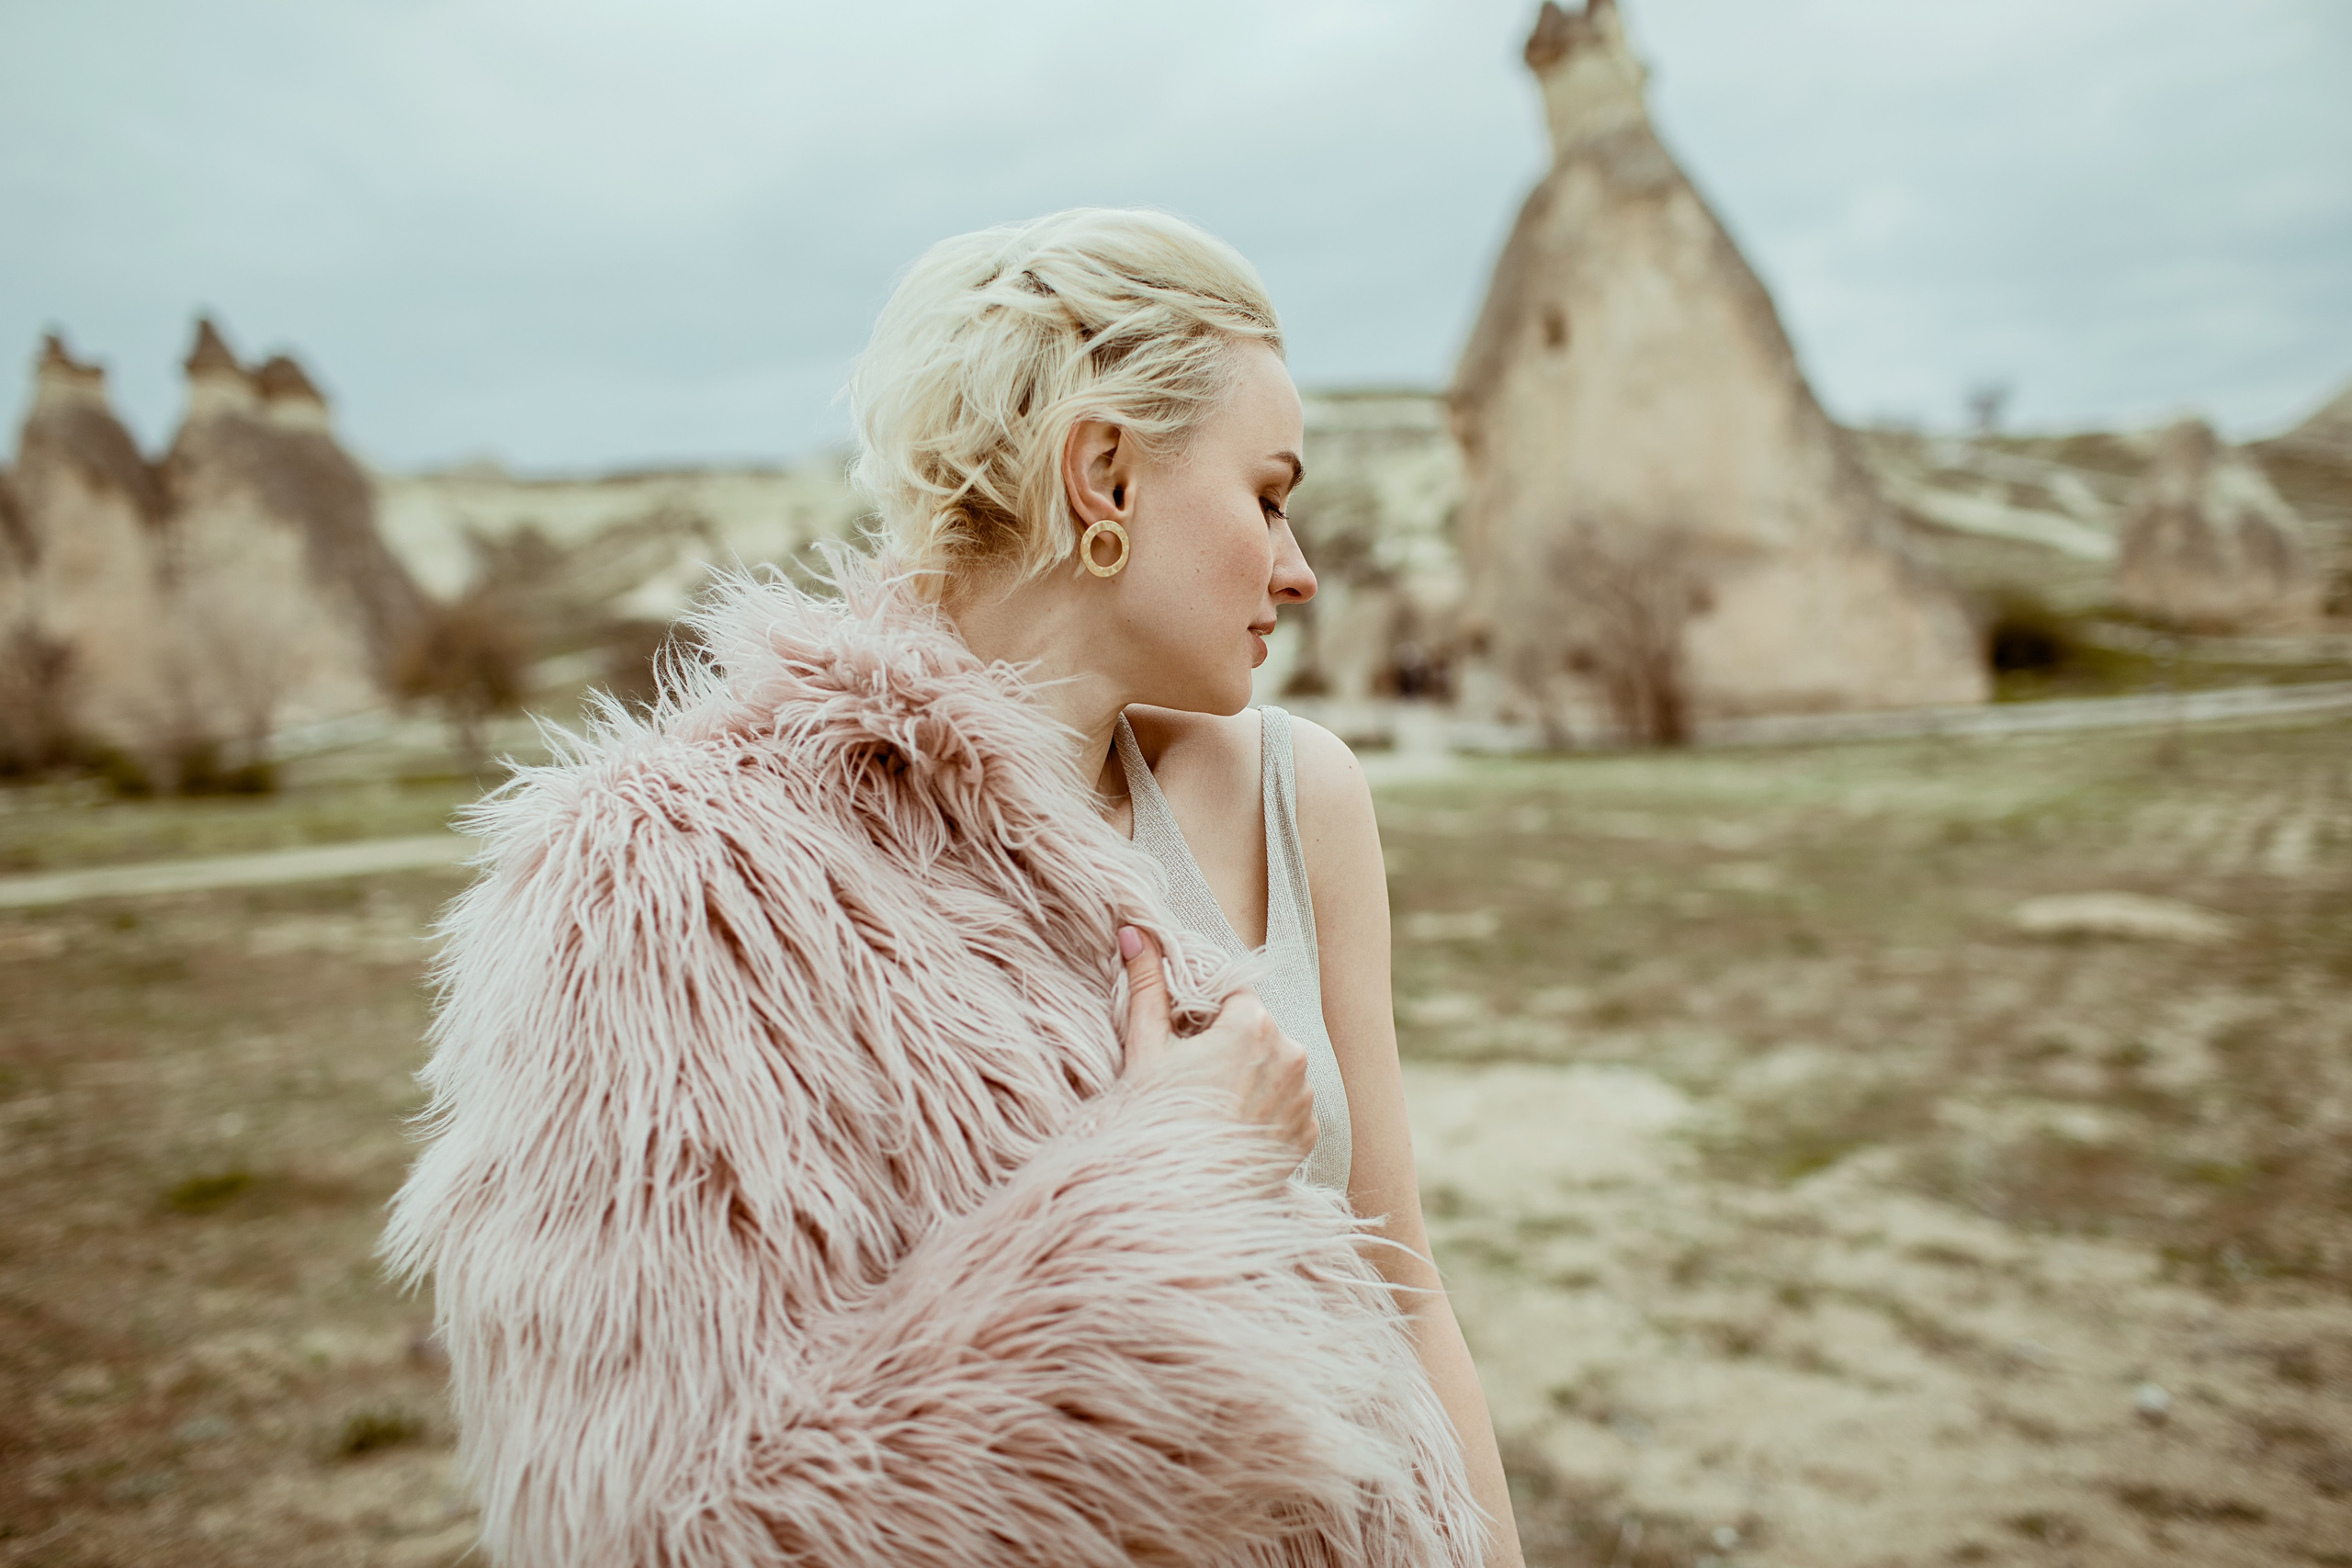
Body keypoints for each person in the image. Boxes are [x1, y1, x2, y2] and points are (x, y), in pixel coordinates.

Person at [386, 208, 1525, 1568]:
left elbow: (1410, 1296)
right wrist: (1164, 1181)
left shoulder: (1303, 796)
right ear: (1103, 475)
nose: (1300, 565)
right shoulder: (686, 887)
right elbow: (673, 1530)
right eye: (1267, 495)